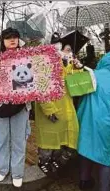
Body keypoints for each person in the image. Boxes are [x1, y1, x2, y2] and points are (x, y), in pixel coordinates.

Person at [77, 48, 110, 191]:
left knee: (86, 150)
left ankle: (84, 181)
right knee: (105, 158)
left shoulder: (92, 75)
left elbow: (75, 93)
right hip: (108, 126)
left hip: (85, 121)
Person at [0, 28, 31, 188]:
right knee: (2, 138)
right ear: (3, 41)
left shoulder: (28, 56)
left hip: (21, 105)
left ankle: (17, 172)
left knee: (19, 140)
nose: (12, 40)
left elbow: (32, 81)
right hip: (0, 106)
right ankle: (3, 168)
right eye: (8, 38)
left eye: (15, 37)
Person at [34, 42, 82, 175]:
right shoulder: (44, 63)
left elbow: (76, 84)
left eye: (70, 50)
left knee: (62, 138)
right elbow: (39, 87)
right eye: (66, 50)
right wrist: (49, 109)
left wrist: (78, 67)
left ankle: (56, 160)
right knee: (48, 142)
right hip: (50, 109)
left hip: (65, 108)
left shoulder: (67, 64)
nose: (68, 52)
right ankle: (43, 161)